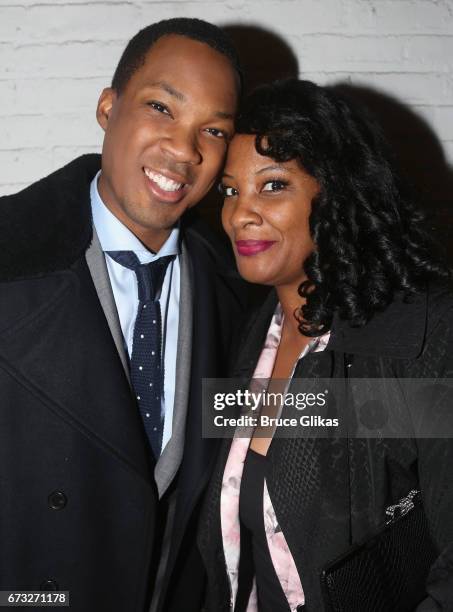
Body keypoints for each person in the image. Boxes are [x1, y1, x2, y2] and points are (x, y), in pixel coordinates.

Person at [0, 18, 245, 612]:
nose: (185, 150)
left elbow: (325, 420)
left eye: (212, 130)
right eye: (162, 107)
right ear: (108, 108)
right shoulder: (9, 257)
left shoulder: (239, 293)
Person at [198, 79, 453, 611]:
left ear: (335, 192)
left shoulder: (423, 334)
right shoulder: (251, 335)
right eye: (229, 189)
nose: (239, 213)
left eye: (272, 186)